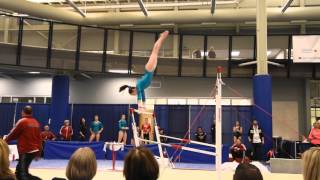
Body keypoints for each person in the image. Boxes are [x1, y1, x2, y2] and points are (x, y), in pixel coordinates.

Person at [119, 31, 169, 112]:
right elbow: (143, 95)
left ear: (133, 90)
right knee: (156, 51)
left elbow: (139, 96)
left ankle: (162, 37)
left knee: (155, 51)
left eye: (133, 94)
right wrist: (144, 106)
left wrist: (140, 106)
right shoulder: (140, 88)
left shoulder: (138, 85)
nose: (135, 95)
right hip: (151, 70)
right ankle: (161, 37)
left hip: (149, 69)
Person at [5, 106, 42, 180]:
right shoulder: (36, 122)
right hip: (34, 150)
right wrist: (39, 152)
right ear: (31, 112)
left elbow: (13, 133)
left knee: (22, 174)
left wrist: (4, 141)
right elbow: (39, 138)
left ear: (22, 112)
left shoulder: (22, 121)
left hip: (26, 150)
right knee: (19, 173)